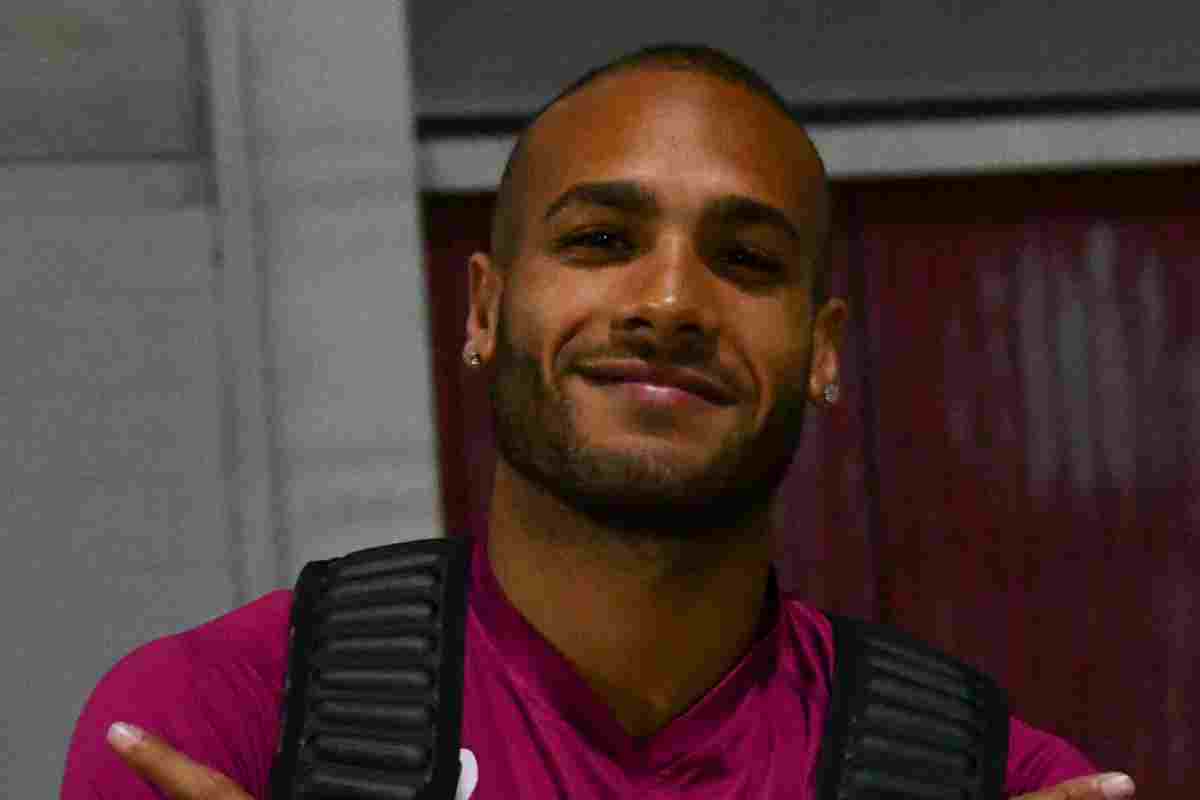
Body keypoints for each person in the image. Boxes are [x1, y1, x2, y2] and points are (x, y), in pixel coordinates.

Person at [63, 43, 1136, 800]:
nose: (669, 304)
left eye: (746, 260)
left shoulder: (989, 779)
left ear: (820, 351)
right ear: (485, 310)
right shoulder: (226, 724)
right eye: (600, 241)